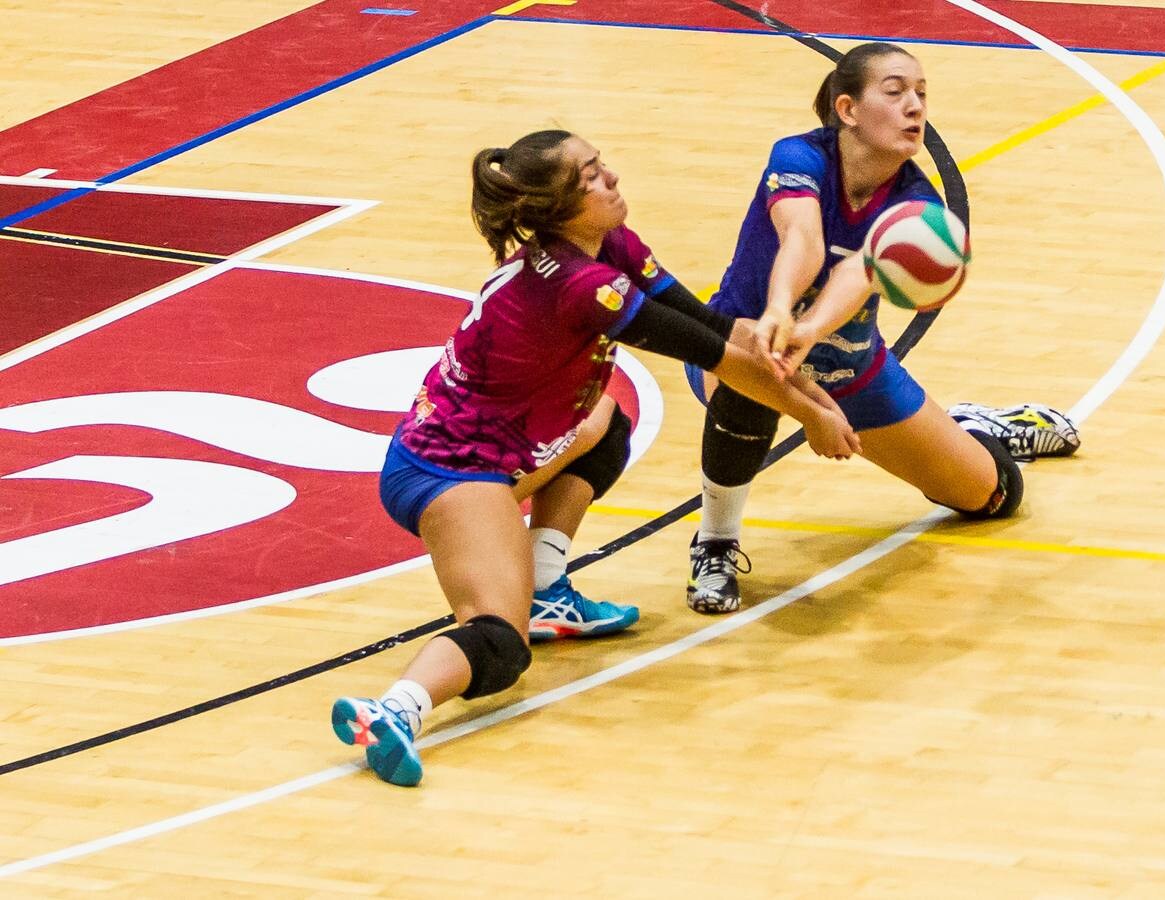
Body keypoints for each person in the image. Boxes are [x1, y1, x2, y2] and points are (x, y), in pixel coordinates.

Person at [331, 129, 860, 786]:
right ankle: (393, 711)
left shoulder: (607, 244)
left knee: (606, 420)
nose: (610, 178)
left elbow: (713, 328)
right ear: (558, 207)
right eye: (591, 175)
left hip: (495, 447)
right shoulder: (583, 286)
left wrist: (802, 383)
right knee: (499, 641)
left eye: (601, 163)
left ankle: (547, 586)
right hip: (449, 472)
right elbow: (715, 358)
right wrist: (812, 413)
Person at [685, 42, 1080, 615]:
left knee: (992, 496)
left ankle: (973, 426)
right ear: (847, 109)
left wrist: (812, 327)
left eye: (921, 94)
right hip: (745, 342)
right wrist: (780, 311)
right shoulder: (799, 156)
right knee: (757, 367)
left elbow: (860, 268)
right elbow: (803, 237)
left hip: (852, 369)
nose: (914, 107)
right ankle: (715, 544)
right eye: (895, 93)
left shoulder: (916, 203)